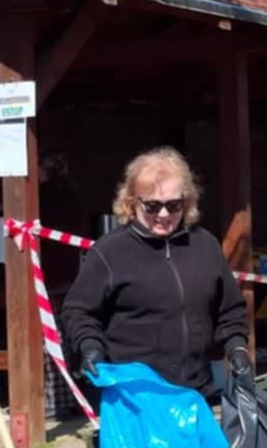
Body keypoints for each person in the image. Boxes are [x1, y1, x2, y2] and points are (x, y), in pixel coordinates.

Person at [61, 147, 252, 402]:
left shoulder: (205, 245)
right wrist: (90, 347)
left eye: (173, 205)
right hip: (132, 396)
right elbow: (78, 311)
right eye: (152, 206)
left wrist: (237, 348)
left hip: (196, 393)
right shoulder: (109, 251)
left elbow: (229, 310)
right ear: (132, 202)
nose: (163, 215)